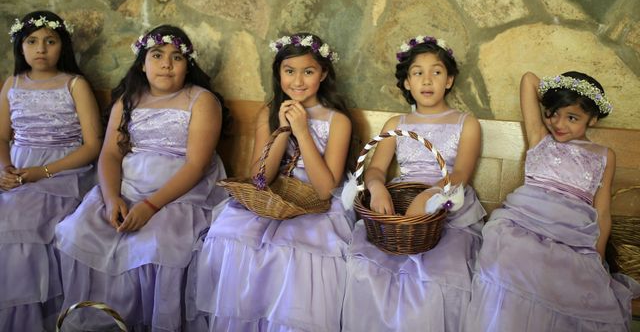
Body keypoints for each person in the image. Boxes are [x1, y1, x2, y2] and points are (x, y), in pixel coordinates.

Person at [54, 25, 229, 331]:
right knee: (77, 230)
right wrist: (111, 199)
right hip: (126, 188)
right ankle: (101, 321)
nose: (166, 64)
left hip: (177, 195)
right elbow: (109, 154)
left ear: (188, 65)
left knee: (156, 245)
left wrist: (150, 206)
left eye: (176, 57)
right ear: (142, 63)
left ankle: (150, 322)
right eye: (157, 55)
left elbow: (196, 165)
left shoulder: (201, 101)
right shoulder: (128, 100)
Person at [191, 33, 353, 332]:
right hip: (272, 197)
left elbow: (324, 190)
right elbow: (261, 179)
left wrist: (302, 132)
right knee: (231, 234)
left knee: (292, 250)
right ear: (278, 73)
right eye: (289, 71)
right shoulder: (269, 112)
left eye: (309, 71)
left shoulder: (337, 121)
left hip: (315, 206)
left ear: (324, 74)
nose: (298, 81)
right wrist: (281, 128)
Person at [463, 71, 640, 331]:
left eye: (572, 117)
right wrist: (560, 90)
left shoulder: (604, 155)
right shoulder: (540, 137)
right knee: (512, 258)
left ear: (593, 118)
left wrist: (597, 258)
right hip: (523, 224)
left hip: (572, 235)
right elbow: (527, 80)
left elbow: (602, 212)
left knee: (572, 281)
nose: (559, 123)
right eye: (553, 113)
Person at [341, 35, 485, 332]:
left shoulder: (466, 123)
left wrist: (433, 194)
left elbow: (460, 175)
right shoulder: (397, 124)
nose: (427, 79)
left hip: (448, 204)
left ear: (449, 79)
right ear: (407, 82)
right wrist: (378, 187)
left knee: (437, 275)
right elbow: (376, 168)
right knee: (367, 267)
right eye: (418, 72)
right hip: (401, 199)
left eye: (437, 71)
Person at [0, 11, 102, 330]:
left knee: (17, 219)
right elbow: (2, 136)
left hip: (63, 172)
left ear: (62, 46)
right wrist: (5, 167)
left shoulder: (75, 84)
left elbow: (92, 145)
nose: (40, 48)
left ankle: (25, 319)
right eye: (31, 41)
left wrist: (41, 172)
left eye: (49, 41)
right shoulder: (12, 84)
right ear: (20, 47)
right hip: (17, 168)